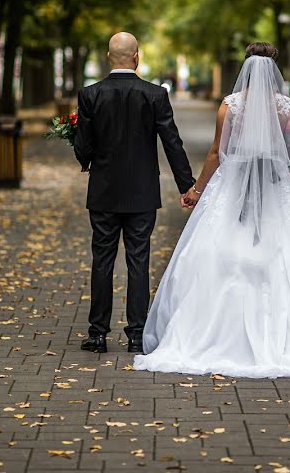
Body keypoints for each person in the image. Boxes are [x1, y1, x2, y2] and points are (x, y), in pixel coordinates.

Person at [133, 43, 290, 378]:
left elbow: (216, 152)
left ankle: (216, 333)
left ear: (246, 69)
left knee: (222, 252)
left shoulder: (230, 106)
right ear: (273, 69)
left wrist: (197, 190)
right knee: (285, 252)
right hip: (273, 184)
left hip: (234, 183)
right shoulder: (283, 107)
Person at [74, 32, 195, 354]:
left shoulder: (90, 94)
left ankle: (97, 334)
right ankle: (137, 335)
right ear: (136, 57)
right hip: (142, 192)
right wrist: (187, 186)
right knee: (139, 261)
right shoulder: (154, 95)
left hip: (103, 191)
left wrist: (86, 158)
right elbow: (172, 142)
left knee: (102, 261)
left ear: (108, 57)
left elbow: (83, 145)